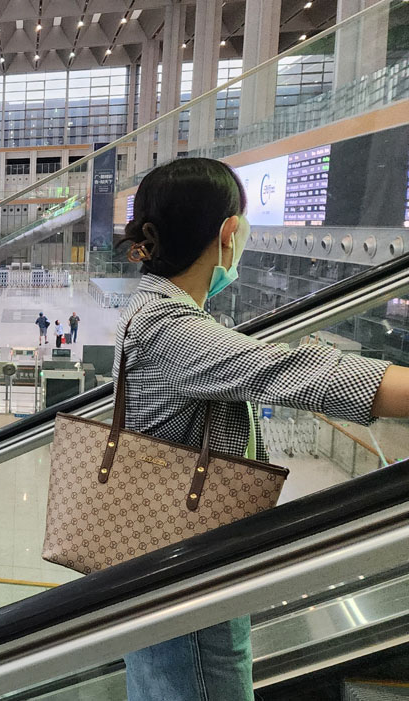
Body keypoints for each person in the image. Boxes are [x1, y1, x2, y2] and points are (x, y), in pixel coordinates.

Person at [117, 157, 409, 701]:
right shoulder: (167, 326)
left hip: (174, 564)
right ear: (229, 233)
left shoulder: (161, 310)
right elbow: (287, 372)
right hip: (190, 578)